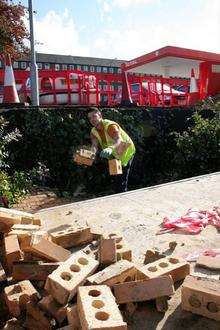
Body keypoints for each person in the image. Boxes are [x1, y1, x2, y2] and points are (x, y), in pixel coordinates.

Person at [87, 107, 135, 193]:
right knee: (116, 177)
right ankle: (119, 194)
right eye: (89, 118)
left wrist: (110, 148)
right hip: (114, 154)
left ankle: (122, 196)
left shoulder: (110, 126)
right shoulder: (93, 131)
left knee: (121, 178)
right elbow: (94, 145)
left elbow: (119, 140)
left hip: (126, 150)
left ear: (100, 116)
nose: (92, 119)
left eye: (94, 116)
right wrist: (91, 154)